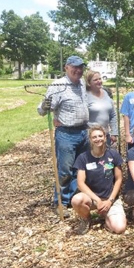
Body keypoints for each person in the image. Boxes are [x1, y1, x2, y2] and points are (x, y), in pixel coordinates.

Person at [37, 55, 89, 217]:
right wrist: (44, 107)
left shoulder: (81, 83)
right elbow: (42, 110)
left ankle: (74, 198)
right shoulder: (58, 85)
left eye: (80, 67)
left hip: (83, 132)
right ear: (66, 67)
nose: (78, 70)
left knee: (78, 169)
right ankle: (60, 202)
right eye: (74, 67)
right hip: (66, 134)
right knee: (65, 170)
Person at [71, 126, 127, 235]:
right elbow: (80, 183)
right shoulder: (83, 158)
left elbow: (119, 179)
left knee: (120, 228)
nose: (98, 139)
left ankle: (106, 218)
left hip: (110, 198)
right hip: (92, 198)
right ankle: (87, 218)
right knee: (76, 200)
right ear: (90, 140)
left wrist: (110, 200)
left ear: (105, 138)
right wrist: (98, 200)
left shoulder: (113, 155)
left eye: (100, 136)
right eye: (94, 137)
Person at [86, 70, 118, 146]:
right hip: (92, 137)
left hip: (105, 135)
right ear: (89, 82)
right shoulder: (85, 96)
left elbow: (112, 115)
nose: (99, 81)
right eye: (95, 80)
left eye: (100, 79)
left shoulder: (106, 93)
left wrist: (114, 132)